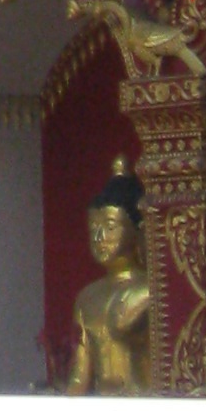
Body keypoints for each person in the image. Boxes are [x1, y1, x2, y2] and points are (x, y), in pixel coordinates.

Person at [63, 168, 154, 394]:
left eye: (110, 227)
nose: (99, 237)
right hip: (102, 404)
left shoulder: (152, 289)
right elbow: (80, 376)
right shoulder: (87, 298)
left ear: (138, 230)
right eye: (94, 227)